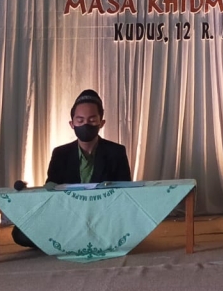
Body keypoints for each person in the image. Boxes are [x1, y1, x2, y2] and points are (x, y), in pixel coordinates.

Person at [11, 89, 132, 248]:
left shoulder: (116, 151)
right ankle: (83, 237)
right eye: (80, 120)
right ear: (72, 124)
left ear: (101, 123)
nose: (85, 125)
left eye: (92, 120)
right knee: (20, 233)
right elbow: (52, 188)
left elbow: (126, 192)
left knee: (129, 229)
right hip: (68, 215)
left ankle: (77, 238)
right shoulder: (60, 153)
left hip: (103, 217)